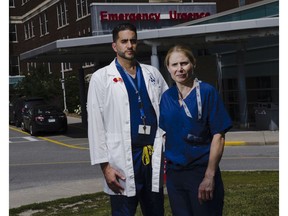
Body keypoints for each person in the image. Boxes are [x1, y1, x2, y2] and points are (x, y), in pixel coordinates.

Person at [87, 23, 168, 216]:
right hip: (122, 159)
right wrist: (105, 167)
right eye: (124, 41)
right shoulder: (101, 78)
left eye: (133, 40)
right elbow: (96, 125)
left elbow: (167, 108)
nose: (129, 45)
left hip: (152, 155)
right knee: (123, 211)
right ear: (115, 46)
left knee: (155, 210)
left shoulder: (152, 74)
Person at [159, 45, 232, 216]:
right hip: (175, 174)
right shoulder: (166, 97)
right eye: (175, 65)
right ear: (168, 68)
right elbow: (164, 135)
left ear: (193, 64)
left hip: (201, 171)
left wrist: (209, 176)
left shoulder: (207, 92)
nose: (180, 69)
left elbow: (219, 136)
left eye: (184, 63)